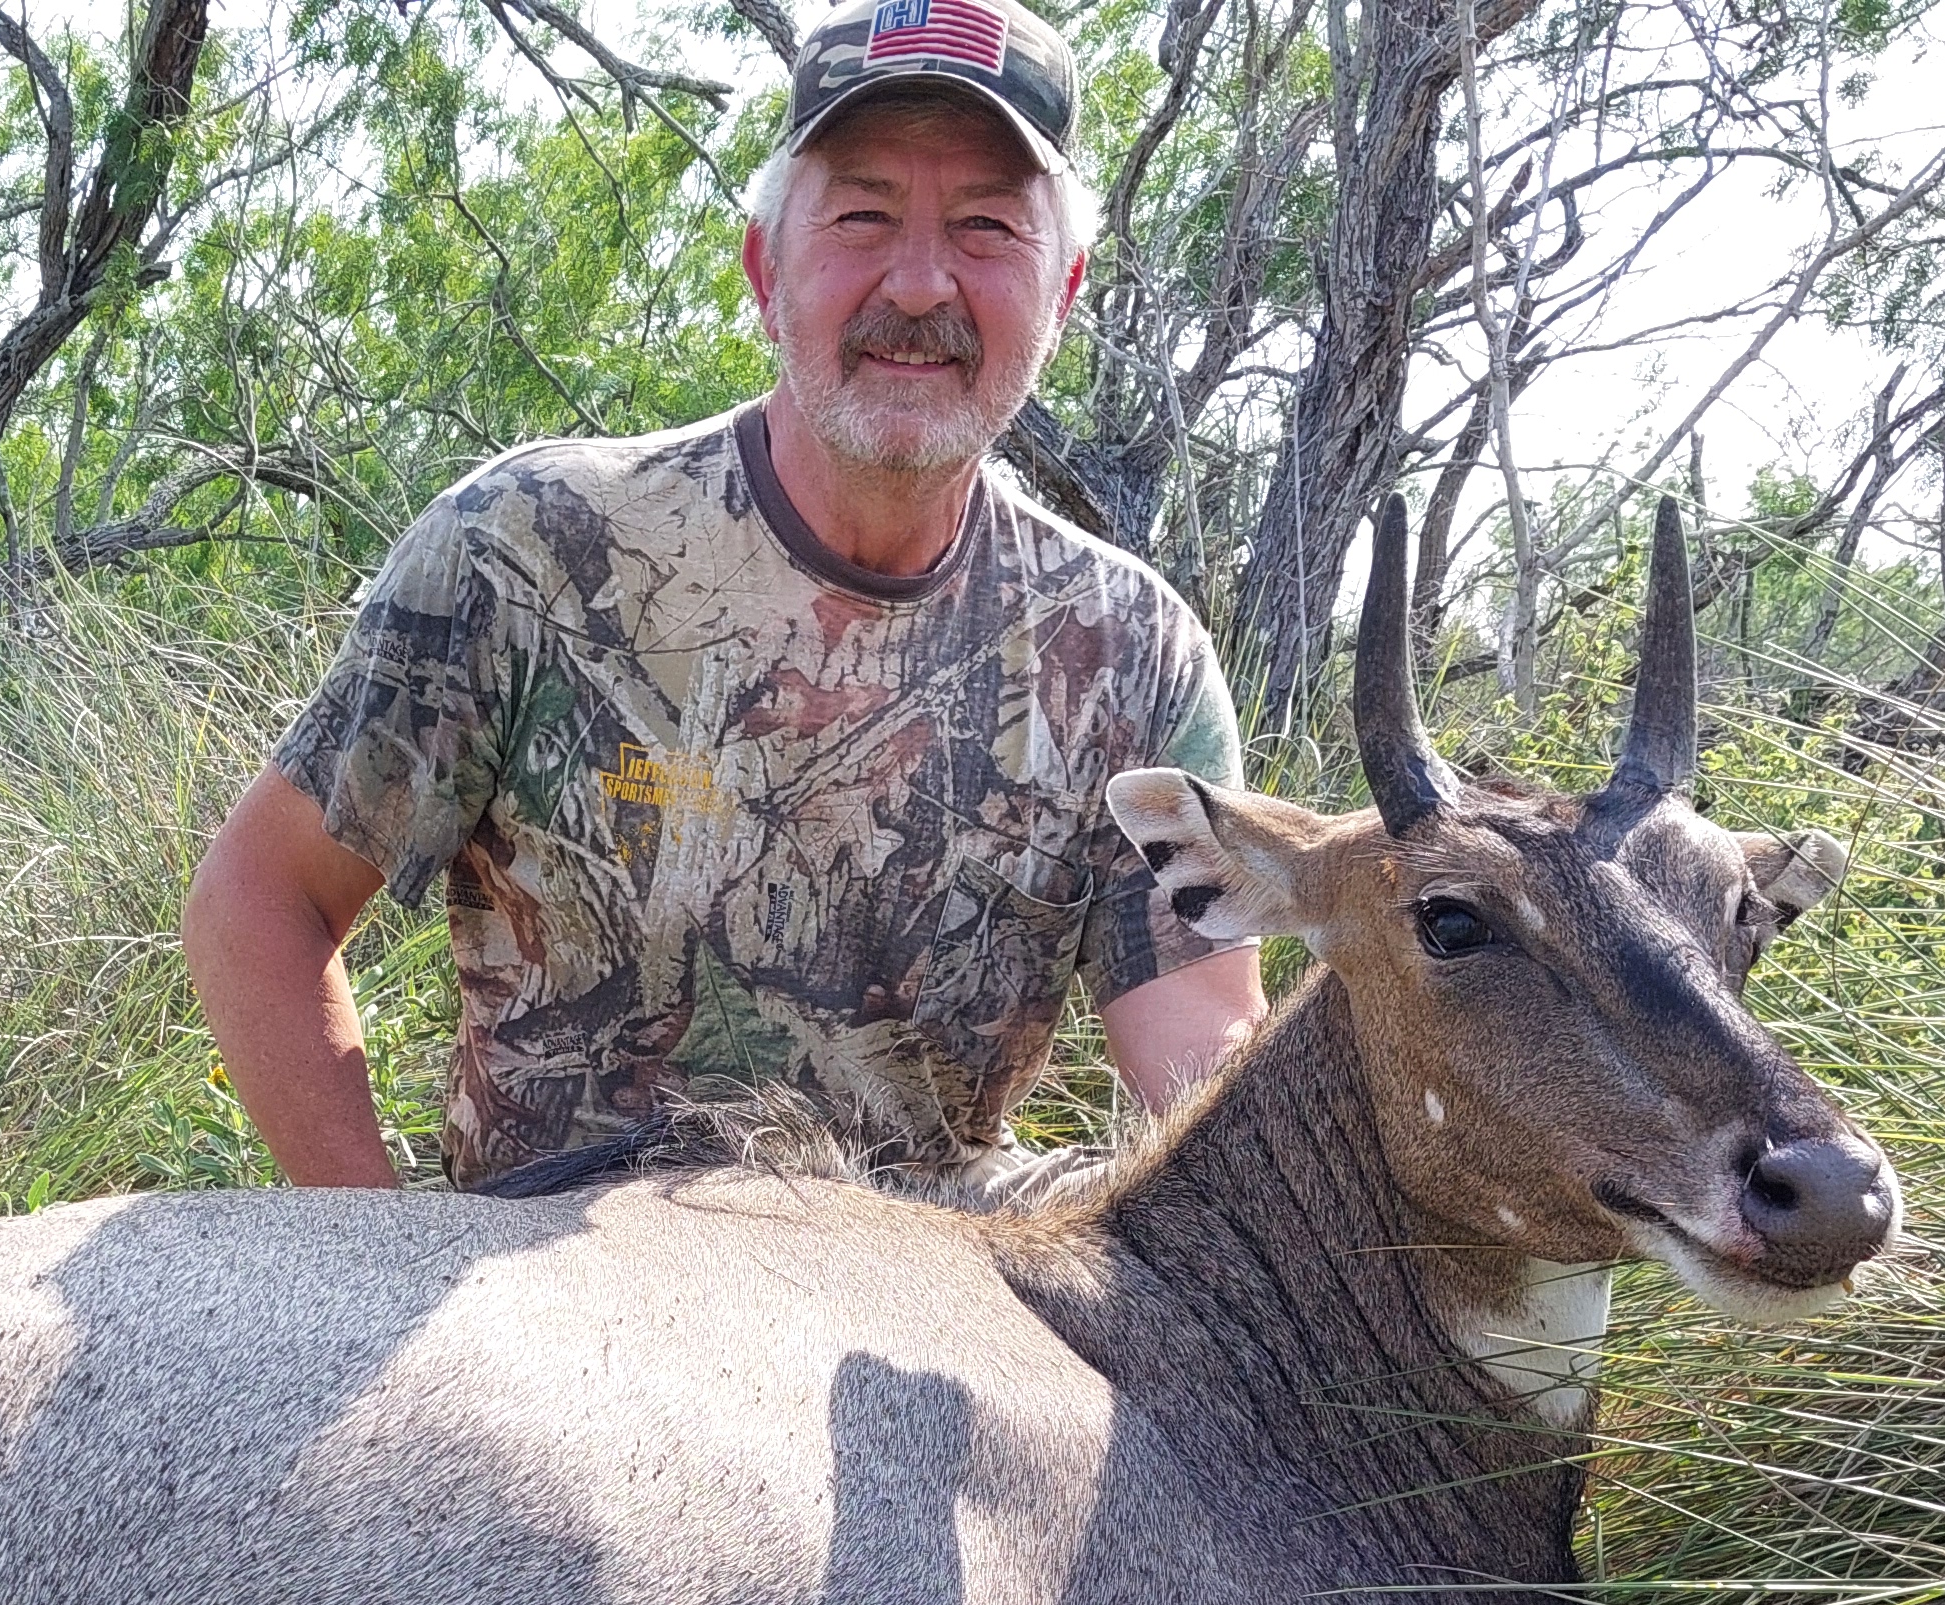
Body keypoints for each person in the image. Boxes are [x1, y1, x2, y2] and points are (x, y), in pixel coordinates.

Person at [182, 0, 1265, 1193]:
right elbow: (260, 900)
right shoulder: (533, 547)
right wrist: (375, 1264)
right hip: (554, 1293)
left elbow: (1201, 1065)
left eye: (985, 227)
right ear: (766, 268)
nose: (918, 282)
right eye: (861, 215)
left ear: (1062, 290)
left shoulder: (1130, 650)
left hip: (927, 1298)